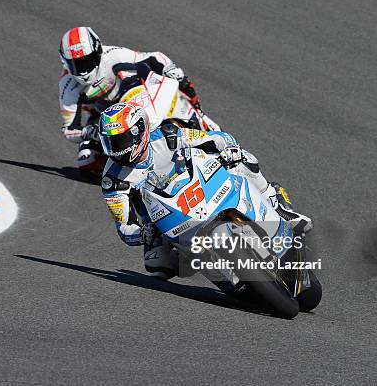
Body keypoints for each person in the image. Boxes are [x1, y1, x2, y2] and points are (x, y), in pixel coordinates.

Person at [98, 102, 313, 280]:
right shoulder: (113, 179)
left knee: (243, 160)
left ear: (139, 131)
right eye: (110, 142)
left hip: (198, 187)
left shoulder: (167, 136)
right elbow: (124, 228)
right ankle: (217, 273)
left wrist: (228, 149)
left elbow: (215, 138)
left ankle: (278, 205)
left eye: (120, 140)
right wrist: (142, 234)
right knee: (158, 266)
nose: (117, 149)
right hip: (162, 221)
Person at [58, 26, 219, 171]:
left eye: (87, 61)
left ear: (98, 51)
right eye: (76, 65)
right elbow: (69, 129)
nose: (83, 71)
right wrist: (89, 132)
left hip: (134, 98)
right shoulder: (68, 87)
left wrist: (171, 70)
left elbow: (155, 58)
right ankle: (134, 177)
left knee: (179, 79)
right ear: (65, 63)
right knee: (87, 160)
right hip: (106, 119)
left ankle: (199, 117)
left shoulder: (114, 55)